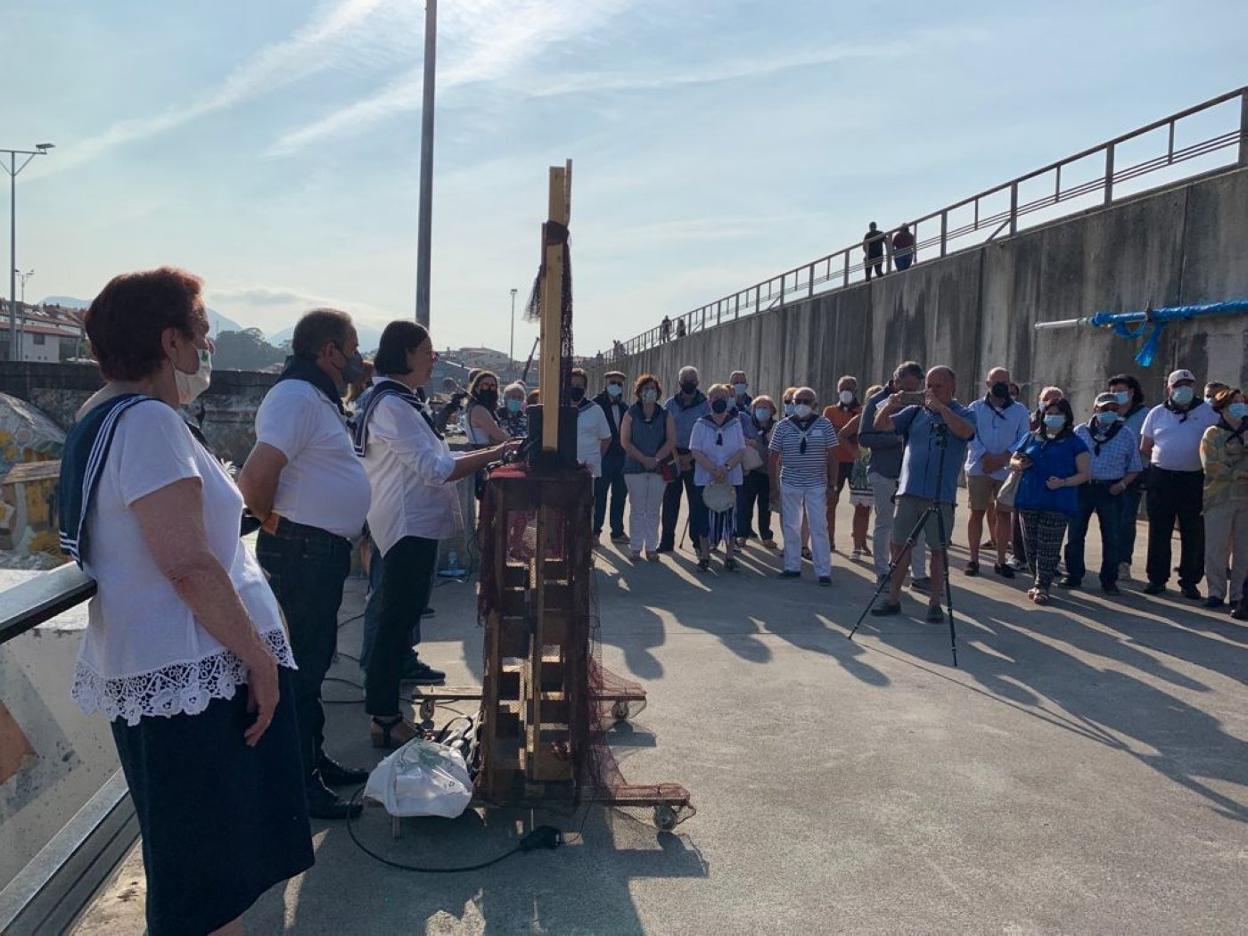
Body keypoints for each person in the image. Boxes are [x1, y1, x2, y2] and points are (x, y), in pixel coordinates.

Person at [61, 268, 311, 934]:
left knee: (206, 870)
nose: (206, 349)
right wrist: (259, 660)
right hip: (194, 674)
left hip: (174, 671)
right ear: (170, 342)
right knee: (206, 882)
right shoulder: (146, 423)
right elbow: (188, 564)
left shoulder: (105, 418)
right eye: (201, 332)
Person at [354, 322, 518, 749]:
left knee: (402, 619)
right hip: (405, 527)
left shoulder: (400, 401)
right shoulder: (392, 403)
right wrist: (495, 454)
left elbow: (441, 456)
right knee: (394, 622)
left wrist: (485, 453)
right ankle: (385, 716)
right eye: (426, 351)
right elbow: (437, 469)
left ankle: (385, 709)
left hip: (412, 526)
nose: (433, 358)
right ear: (405, 353)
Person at [238, 308, 372, 820]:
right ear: (329, 351)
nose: (360, 356)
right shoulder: (295, 397)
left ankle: (314, 761)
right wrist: (274, 523)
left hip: (317, 550)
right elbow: (254, 478)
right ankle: (298, 783)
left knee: (313, 663)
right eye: (353, 346)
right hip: (301, 551)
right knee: (299, 668)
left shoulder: (315, 397)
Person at [871, 366, 976, 621]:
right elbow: (881, 425)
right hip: (909, 491)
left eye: (938, 386)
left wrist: (941, 409)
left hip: (940, 495)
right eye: (928, 385)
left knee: (938, 550)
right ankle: (893, 598)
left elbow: (966, 432)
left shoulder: (964, 413)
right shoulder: (915, 411)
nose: (931, 391)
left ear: (952, 387)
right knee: (899, 546)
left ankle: (934, 603)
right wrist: (890, 405)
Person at [1140, 368, 1220, 598]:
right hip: (1162, 477)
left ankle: (1189, 580)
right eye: (1178, 385)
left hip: (1193, 479)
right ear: (1169, 388)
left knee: (1193, 531)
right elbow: (1145, 445)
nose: (1183, 389)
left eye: (1188, 384)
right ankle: (1156, 578)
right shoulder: (1157, 413)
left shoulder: (1208, 413)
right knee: (1159, 530)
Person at [1010, 398, 1090, 604]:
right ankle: (1037, 579)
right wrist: (1019, 464)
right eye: (1049, 413)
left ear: (1066, 417)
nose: (1053, 417)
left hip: (1058, 501)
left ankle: (1042, 586)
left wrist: (1064, 482)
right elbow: (1014, 458)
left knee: (1049, 546)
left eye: (1058, 414)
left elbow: (1084, 474)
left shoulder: (1075, 443)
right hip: (1029, 499)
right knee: (1031, 547)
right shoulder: (1031, 438)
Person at [859, 362, 928, 588]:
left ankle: (919, 575)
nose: (911, 391)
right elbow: (865, 437)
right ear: (896, 381)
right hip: (884, 472)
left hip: (913, 474)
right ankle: (882, 570)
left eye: (916, 386)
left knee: (918, 527)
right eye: (907, 386)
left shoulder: (922, 401)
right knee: (885, 523)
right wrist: (897, 439)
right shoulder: (877, 402)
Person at [1066, 392, 1142, 594]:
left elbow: (1134, 467)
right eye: (1105, 409)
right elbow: (1069, 460)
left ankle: (1109, 580)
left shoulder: (1126, 434)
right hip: (1084, 486)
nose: (1109, 413)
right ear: (1095, 409)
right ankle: (1074, 575)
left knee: (1112, 536)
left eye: (1114, 410)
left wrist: (1122, 486)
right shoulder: (1080, 431)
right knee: (1075, 534)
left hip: (1111, 488)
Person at [964, 366, 1030, 578]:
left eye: (1005, 382)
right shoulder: (974, 408)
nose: (1000, 385)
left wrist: (1003, 457)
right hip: (979, 467)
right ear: (987, 384)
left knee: (1004, 514)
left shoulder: (1020, 411)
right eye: (996, 382)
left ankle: (1001, 560)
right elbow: (970, 435)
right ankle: (973, 559)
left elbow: (1024, 438)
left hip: (1006, 469)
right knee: (977, 512)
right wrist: (985, 456)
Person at [769, 386, 838, 585]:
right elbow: (773, 456)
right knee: (791, 526)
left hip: (817, 483)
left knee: (819, 526)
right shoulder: (782, 426)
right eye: (797, 402)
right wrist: (773, 487)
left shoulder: (824, 425)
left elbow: (833, 455)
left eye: (806, 402)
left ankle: (823, 571)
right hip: (790, 482)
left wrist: (833, 485)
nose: (801, 405)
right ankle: (792, 566)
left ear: (815, 405)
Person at [1199, 387, 1248, 610]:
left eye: (1242, 402)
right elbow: (1212, 466)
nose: (1240, 406)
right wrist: (1239, 472)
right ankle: (1215, 592)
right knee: (1216, 548)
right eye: (1235, 403)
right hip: (1218, 497)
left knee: (1243, 550)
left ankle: (1238, 595)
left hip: (1245, 499)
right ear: (1223, 408)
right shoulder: (1212, 434)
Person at [690, 383, 747, 572]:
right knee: (703, 518)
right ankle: (705, 555)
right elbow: (695, 450)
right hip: (705, 478)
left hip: (731, 477)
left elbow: (741, 449)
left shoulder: (735, 423)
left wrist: (727, 467)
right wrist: (714, 469)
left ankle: (729, 556)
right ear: (709, 401)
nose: (718, 401)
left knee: (730, 517)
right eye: (715, 398)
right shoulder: (700, 424)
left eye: (722, 398)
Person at [620, 374, 677, 560]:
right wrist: (643, 458)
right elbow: (625, 441)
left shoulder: (665, 415)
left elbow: (671, 440)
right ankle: (635, 547)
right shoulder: (630, 414)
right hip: (634, 468)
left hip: (658, 469)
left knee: (653, 510)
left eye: (653, 388)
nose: (649, 392)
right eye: (646, 389)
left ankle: (651, 547)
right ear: (639, 392)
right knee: (637, 509)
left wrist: (657, 458)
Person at [659, 366, 710, 553]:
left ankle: (697, 541)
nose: (688, 384)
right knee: (670, 501)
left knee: (697, 501)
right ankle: (666, 541)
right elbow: (663, 431)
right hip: (672, 456)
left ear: (697, 382)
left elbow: (708, 433)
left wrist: (690, 456)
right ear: (679, 383)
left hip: (697, 456)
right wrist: (675, 456)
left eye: (692, 381)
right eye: (685, 381)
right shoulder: (671, 404)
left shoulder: (706, 404)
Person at [1107, 373, 1148, 580]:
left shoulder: (1144, 415)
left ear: (1132, 392)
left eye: (1121, 391)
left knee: (1126, 520)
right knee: (1108, 521)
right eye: (1113, 392)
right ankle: (1109, 562)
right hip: (1107, 475)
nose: (1116, 395)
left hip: (1133, 476)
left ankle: (1124, 562)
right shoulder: (1107, 413)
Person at [822, 375, 868, 554]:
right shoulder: (830, 411)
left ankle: (859, 543)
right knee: (830, 501)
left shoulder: (862, 411)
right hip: (836, 462)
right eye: (842, 389)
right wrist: (848, 437)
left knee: (862, 505)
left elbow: (857, 434)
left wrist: (842, 434)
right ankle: (829, 540)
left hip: (857, 463)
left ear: (856, 390)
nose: (845, 392)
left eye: (849, 388)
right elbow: (830, 433)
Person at [594, 370, 630, 544]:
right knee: (599, 495)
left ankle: (617, 531)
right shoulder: (595, 404)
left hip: (621, 457)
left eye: (619, 384)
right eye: (612, 383)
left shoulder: (625, 407)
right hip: (602, 456)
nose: (616, 386)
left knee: (620, 495)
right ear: (606, 384)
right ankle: (595, 532)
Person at [738, 394, 777, 548]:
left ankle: (766, 535)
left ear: (772, 410)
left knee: (765, 505)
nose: (761, 410)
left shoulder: (776, 426)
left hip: (767, 471)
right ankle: (743, 534)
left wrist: (757, 445)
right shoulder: (747, 423)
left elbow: (775, 449)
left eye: (765, 407)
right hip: (750, 469)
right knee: (746, 504)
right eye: (758, 407)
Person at [846, 387, 879, 556]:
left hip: (885, 467)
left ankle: (883, 551)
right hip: (863, 469)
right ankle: (857, 546)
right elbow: (842, 434)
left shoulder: (892, 417)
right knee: (862, 510)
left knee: (884, 512)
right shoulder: (860, 419)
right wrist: (853, 452)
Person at [571, 367, 613, 480]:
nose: (575, 388)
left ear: (585, 388)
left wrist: (596, 457)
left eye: (579, 386)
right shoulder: (559, 410)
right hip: (564, 468)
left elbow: (607, 438)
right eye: (572, 385)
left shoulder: (595, 410)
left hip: (588, 469)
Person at [463, 370, 510, 446]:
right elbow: (500, 436)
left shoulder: (488, 409)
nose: (489, 388)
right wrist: (506, 436)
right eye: (485, 385)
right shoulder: (478, 409)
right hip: (484, 452)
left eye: (493, 385)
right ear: (476, 388)